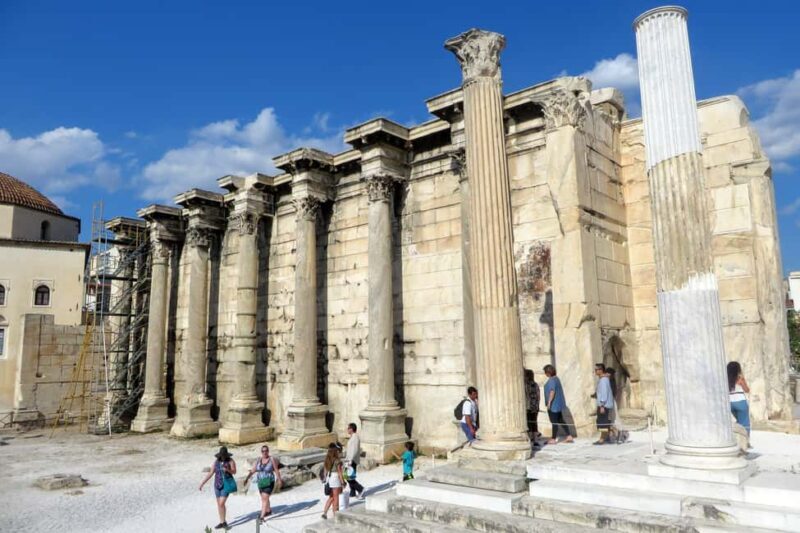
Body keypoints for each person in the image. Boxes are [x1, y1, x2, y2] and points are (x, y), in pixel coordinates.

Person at [198, 446, 237, 530]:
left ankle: (224, 522)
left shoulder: (230, 461)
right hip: (217, 485)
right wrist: (202, 483)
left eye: (224, 455)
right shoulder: (216, 461)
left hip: (226, 485)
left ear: (226, 455)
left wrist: (228, 470)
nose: (222, 456)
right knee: (219, 505)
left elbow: (234, 471)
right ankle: (222, 522)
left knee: (221, 503)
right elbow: (211, 473)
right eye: (221, 455)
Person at [243, 445, 282, 524]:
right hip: (260, 482)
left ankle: (262, 516)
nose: (265, 452)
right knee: (264, 498)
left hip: (269, 481)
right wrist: (247, 478)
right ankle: (268, 510)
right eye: (263, 451)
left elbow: (276, 470)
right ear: (261, 452)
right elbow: (253, 470)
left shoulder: (272, 459)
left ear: (268, 451)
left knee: (265, 498)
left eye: (266, 450)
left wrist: (279, 480)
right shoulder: (258, 460)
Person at [543, 365, 573, 444]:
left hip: (554, 405)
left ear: (548, 373)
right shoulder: (557, 379)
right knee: (560, 420)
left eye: (545, 372)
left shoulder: (552, 380)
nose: (545, 374)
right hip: (558, 404)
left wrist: (549, 403)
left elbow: (552, 392)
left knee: (554, 422)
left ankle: (553, 439)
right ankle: (569, 435)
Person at [594, 363, 616, 445]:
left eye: (596, 370)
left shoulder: (603, 380)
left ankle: (602, 439)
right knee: (605, 422)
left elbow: (604, 393)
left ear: (600, 370)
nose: (595, 371)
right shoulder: (604, 379)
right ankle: (611, 435)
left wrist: (602, 405)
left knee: (602, 422)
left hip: (604, 405)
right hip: (605, 405)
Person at [320, 444, 344, 520]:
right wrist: (343, 482)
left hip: (329, 479)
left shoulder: (327, 459)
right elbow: (340, 473)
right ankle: (336, 515)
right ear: (335, 451)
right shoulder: (337, 461)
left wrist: (324, 479)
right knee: (336, 498)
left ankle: (325, 513)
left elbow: (325, 471)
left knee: (331, 497)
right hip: (336, 479)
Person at [728, 361, 751, 435]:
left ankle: (737, 439)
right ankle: (745, 441)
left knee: (738, 422)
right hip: (741, 402)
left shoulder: (725, 379)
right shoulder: (740, 379)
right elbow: (747, 390)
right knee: (744, 423)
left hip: (730, 403)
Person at [344, 422, 365, 499]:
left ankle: (360, 488)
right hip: (349, 460)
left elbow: (355, 450)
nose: (347, 430)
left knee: (349, 477)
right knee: (349, 476)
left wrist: (350, 460)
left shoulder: (355, 437)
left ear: (352, 429)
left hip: (351, 460)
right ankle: (352, 492)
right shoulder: (353, 437)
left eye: (348, 428)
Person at [524, 369, 541, 441]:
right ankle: (535, 439)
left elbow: (525, 395)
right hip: (535, 406)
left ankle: (531, 438)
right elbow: (538, 396)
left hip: (528, 406)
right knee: (534, 422)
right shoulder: (536, 384)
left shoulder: (526, 385)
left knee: (529, 423)